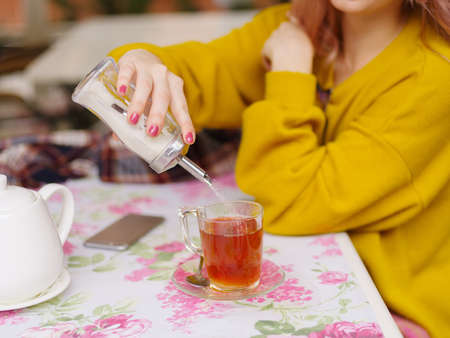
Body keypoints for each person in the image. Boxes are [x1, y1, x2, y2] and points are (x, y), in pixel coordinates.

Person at [108, 0, 449, 336]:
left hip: (393, 311)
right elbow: (195, 71)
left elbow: (293, 202)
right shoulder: (292, 27)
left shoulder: (434, 72)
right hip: (309, 287)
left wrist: (289, 72)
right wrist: (141, 63)